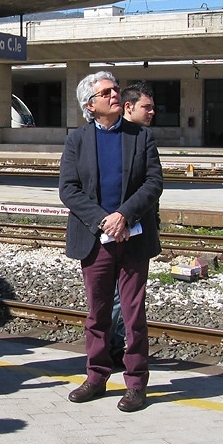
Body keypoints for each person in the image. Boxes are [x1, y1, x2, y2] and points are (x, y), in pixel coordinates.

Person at [59, 71, 163, 413]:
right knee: (98, 312)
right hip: (96, 238)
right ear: (91, 104)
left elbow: (153, 183)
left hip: (133, 238)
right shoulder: (77, 140)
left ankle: (135, 384)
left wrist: (124, 216)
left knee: (133, 314)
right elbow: (69, 189)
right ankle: (96, 376)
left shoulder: (141, 136)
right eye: (107, 92)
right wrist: (104, 219)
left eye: (115, 89)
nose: (115, 94)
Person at [108, 82, 157, 367]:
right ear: (129, 107)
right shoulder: (108, 138)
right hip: (107, 230)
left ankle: (119, 349)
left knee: (128, 298)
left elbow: (152, 184)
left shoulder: (145, 138)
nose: (152, 112)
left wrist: (132, 217)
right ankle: (112, 347)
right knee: (115, 298)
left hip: (136, 230)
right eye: (146, 107)